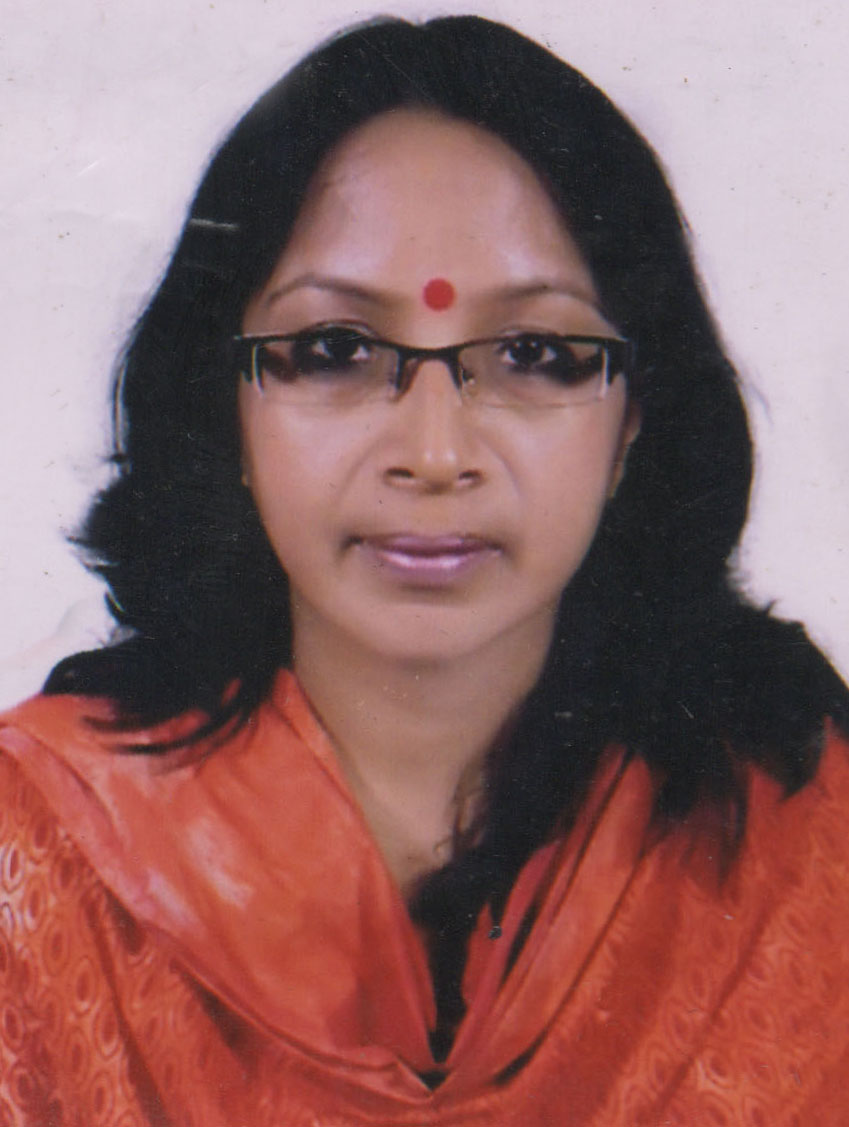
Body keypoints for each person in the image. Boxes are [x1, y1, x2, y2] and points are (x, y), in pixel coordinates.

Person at [1, 15, 847, 1126]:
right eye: (336, 350)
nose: (436, 454)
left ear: (634, 423)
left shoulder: (805, 847)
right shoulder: (39, 857)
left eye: (536, 354)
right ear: (225, 406)